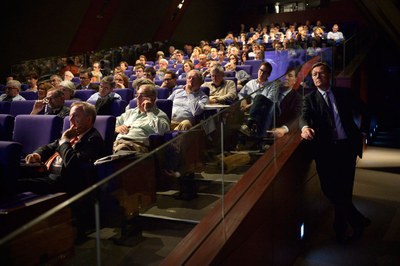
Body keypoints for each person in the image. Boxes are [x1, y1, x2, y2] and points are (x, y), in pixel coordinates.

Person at [299, 62, 370, 243]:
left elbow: (365, 110)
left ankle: (340, 229)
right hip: (326, 151)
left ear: (329, 75)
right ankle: (358, 221)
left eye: (321, 73)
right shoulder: (309, 99)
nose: (317, 77)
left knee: (345, 191)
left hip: (347, 148)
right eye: (314, 74)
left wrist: (363, 131)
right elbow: (304, 116)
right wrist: (305, 127)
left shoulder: (344, 94)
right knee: (329, 188)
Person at [19, 101, 105, 195]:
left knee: (17, 183)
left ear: (88, 119)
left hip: (63, 179)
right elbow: (49, 147)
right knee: (9, 173)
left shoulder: (93, 139)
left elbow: (73, 163)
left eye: (76, 116)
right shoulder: (73, 133)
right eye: (70, 116)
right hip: (45, 171)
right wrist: (37, 154)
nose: (70, 119)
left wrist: (65, 140)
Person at [240, 66, 302, 138]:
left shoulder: (298, 98)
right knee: (259, 97)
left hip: (279, 129)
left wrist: (284, 129)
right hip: (263, 124)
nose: (286, 78)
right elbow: (259, 102)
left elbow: (297, 118)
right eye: (284, 75)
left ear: (295, 80)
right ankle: (249, 125)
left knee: (269, 103)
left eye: (290, 76)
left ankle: (251, 129)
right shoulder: (271, 89)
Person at [114, 80, 170, 153]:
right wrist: (116, 128)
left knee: (120, 150)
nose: (138, 98)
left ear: (152, 98)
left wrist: (149, 111)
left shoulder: (159, 114)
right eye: (137, 95)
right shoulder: (130, 112)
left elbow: (162, 131)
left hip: (136, 145)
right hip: (117, 143)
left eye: (142, 95)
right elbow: (113, 123)